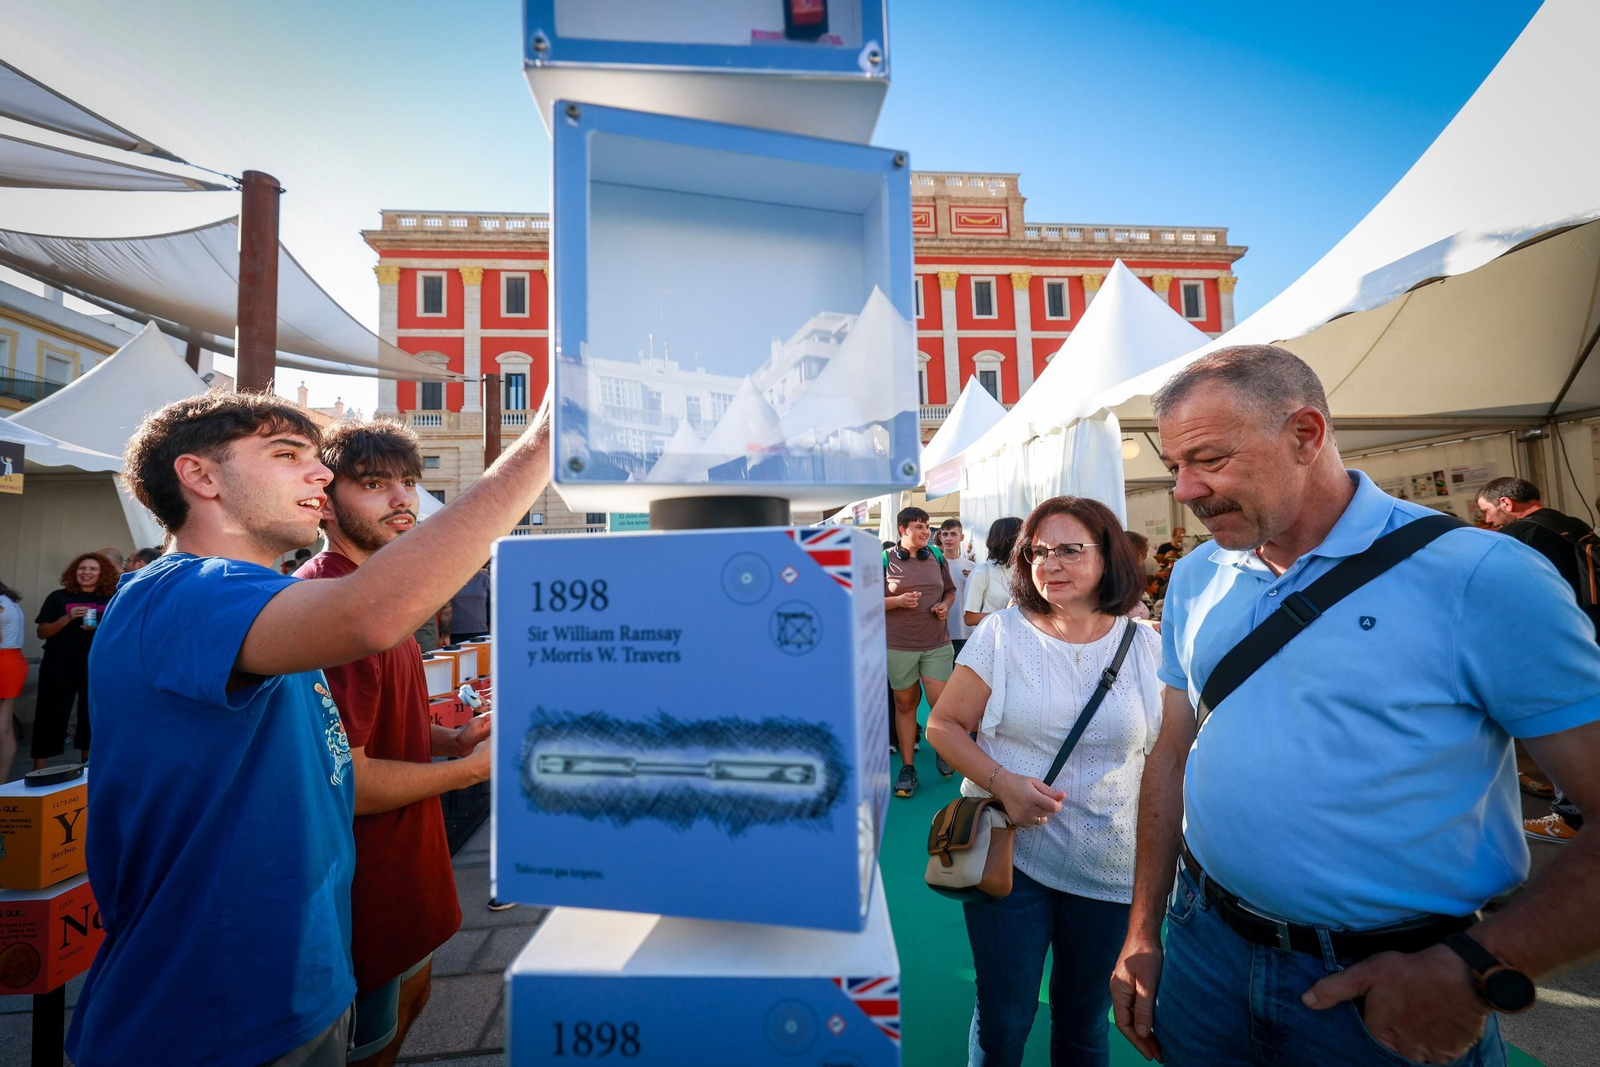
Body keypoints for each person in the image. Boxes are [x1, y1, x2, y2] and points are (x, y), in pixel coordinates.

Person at [1110, 345, 1600, 1067]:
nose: (1184, 489)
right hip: (1204, 947)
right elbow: (1173, 750)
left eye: (1208, 459)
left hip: (1387, 982)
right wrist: (1144, 930)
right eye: (1174, 466)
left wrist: (1474, 965)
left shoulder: (1482, 575)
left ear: (1306, 435)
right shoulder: (1194, 575)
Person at [67, 389, 553, 1067]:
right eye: (287, 454)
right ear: (200, 476)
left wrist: (442, 741)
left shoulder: (263, 601)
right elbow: (368, 615)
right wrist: (545, 444)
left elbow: (320, 750)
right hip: (214, 1010)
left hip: (292, 985)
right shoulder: (180, 588)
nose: (320, 473)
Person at [927, 496, 1160, 1067]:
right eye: (1038, 552)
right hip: (1012, 855)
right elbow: (945, 723)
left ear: (1109, 557)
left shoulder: (1147, 645)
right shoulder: (1002, 634)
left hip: (1110, 865)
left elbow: (1162, 760)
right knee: (1006, 1015)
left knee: (1083, 1020)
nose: (1050, 563)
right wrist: (1002, 781)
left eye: (1070, 550)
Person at [294, 421, 488, 1065]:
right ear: (324, 497)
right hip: (363, 889)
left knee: (410, 1012)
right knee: (370, 1048)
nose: (401, 498)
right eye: (373, 484)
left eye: (407, 482)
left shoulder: (377, 591)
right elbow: (347, 781)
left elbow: (381, 723)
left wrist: (453, 741)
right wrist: (468, 774)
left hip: (408, 871)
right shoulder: (332, 600)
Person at [1475, 475, 1598, 844]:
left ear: (1507, 504)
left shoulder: (1518, 537)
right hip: (1589, 635)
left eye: (1487, 511)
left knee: (1553, 726)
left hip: (1552, 646)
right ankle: (1576, 801)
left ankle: (1571, 817)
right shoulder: (1571, 523)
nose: (1488, 521)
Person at [884, 506, 955, 798]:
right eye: (919, 526)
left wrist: (945, 606)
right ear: (903, 531)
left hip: (937, 643)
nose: (927, 531)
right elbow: (865, 602)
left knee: (940, 704)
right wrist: (898, 601)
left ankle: (942, 749)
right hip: (899, 645)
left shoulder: (937, 558)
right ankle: (908, 768)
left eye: (927, 526)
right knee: (905, 705)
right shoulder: (883, 560)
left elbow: (950, 591)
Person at [31, 551, 116, 769]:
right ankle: (39, 767)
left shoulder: (111, 599)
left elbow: (119, 633)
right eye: (82, 568)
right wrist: (67, 618)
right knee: (50, 712)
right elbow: (42, 632)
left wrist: (97, 629)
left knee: (90, 712)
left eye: (93, 569)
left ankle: (88, 764)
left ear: (102, 573)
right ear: (74, 572)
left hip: (95, 665)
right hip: (58, 663)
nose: (86, 573)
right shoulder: (58, 597)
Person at [963, 517, 1023, 629]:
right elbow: (970, 618)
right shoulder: (981, 572)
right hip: (994, 640)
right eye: (1022, 536)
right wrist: (1006, 614)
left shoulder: (1026, 571)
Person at [0, 578, 24, 779]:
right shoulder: (7, 601)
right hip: (13, 660)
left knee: (3, 726)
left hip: (3, 661)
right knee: (5, 726)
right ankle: (2, 782)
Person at [448, 563, 491, 644]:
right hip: (454, 632)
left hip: (481, 631)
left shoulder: (484, 579)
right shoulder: (450, 578)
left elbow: (492, 607)